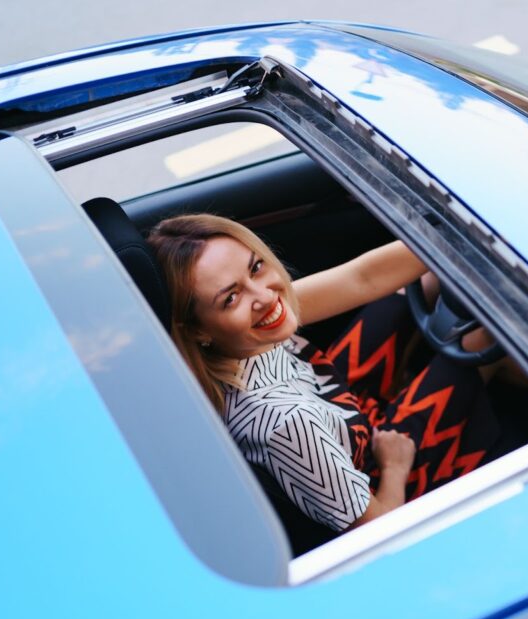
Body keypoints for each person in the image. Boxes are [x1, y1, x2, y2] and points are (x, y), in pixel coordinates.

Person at [147, 214, 502, 532]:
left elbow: (362, 278)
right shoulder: (286, 425)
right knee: (481, 339)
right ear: (198, 330)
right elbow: (378, 532)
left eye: (255, 267)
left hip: (337, 404)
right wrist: (395, 466)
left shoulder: (242, 333)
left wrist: (465, 230)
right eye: (231, 298)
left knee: (415, 286)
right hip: (380, 472)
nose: (265, 296)